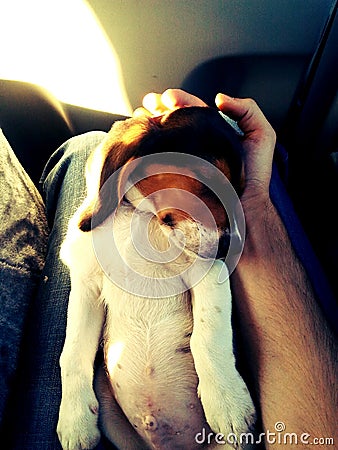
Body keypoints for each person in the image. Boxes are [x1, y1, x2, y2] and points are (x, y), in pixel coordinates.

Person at [0, 89, 336, 449]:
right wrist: (74, 386)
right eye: (204, 190)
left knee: (85, 145)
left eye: (227, 195)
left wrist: (216, 372)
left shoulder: (188, 240)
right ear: (131, 162)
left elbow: (212, 276)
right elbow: (85, 294)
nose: (220, 224)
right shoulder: (107, 215)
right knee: (89, 146)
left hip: (211, 425)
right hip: (120, 417)